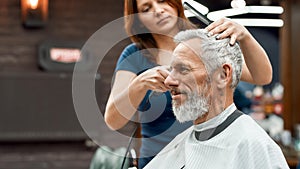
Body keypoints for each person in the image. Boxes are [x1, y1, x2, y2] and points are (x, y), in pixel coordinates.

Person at [104, 0, 273, 168]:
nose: (158, 10)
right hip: (157, 162)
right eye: (146, 8)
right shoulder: (134, 55)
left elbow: (262, 77)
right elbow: (113, 120)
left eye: (162, 1)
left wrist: (244, 36)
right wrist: (139, 84)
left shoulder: (204, 44)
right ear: (138, 19)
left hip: (208, 161)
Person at [144, 29, 289, 169]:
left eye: (183, 69)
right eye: (171, 70)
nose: (168, 81)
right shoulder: (183, 141)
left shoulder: (252, 144)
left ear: (223, 75)